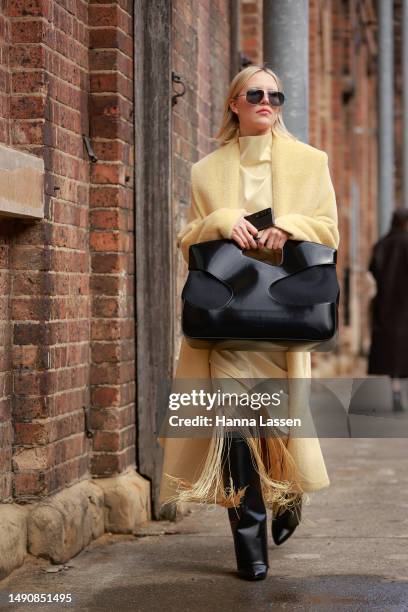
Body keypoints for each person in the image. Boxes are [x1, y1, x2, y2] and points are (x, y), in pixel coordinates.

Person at [157, 64, 340, 581]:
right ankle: (247, 540)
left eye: (275, 96)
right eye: (255, 94)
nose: (267, 102)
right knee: (236, 433)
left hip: (285, 322)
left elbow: (329, 231)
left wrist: (291, 225)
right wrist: (218, 222)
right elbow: (187, 237)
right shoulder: (206, 171)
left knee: (277, 425)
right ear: (234, 103)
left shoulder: (310, 162)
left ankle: (287, 497)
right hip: (230, 320)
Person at [367, 208, 408, 412]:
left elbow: (373, 269)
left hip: (387, 303)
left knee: (393, 353)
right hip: (405, 304)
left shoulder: (382, 244)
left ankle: (396, 390)